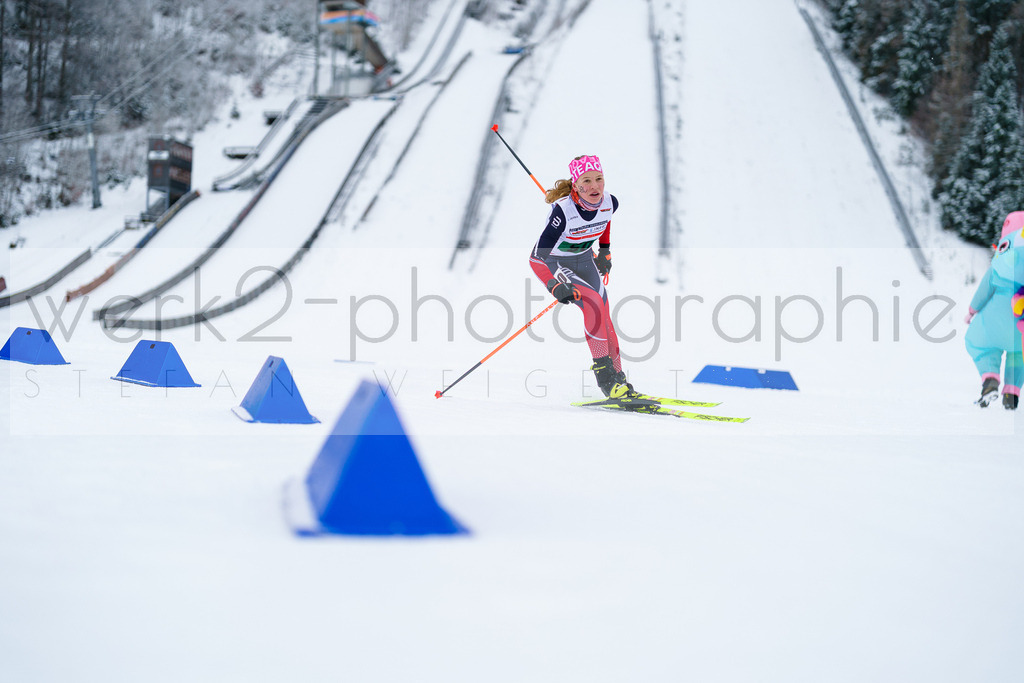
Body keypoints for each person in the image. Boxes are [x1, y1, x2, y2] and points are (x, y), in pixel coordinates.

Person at [529, 154, 637, 398]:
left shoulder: (611, 202)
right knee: (593, 303)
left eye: (599, 179)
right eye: (586, 181)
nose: (594, 186)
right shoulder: (563, 213)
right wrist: (554, 286)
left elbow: (604, 220)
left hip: (585, 259)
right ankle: (606, 379)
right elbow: (536, 258)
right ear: (575, 185)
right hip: (555, 261)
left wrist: (605, 251)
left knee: (605, 315)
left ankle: (619, 379)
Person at [965, 211, 1023, 410]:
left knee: (983, 346)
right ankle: (1011, 392)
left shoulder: (1004, 252)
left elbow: (985, 289)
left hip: (994, 321)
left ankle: (990, 379)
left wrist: (972, 310)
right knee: (1019, 355)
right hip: (1021, 326)